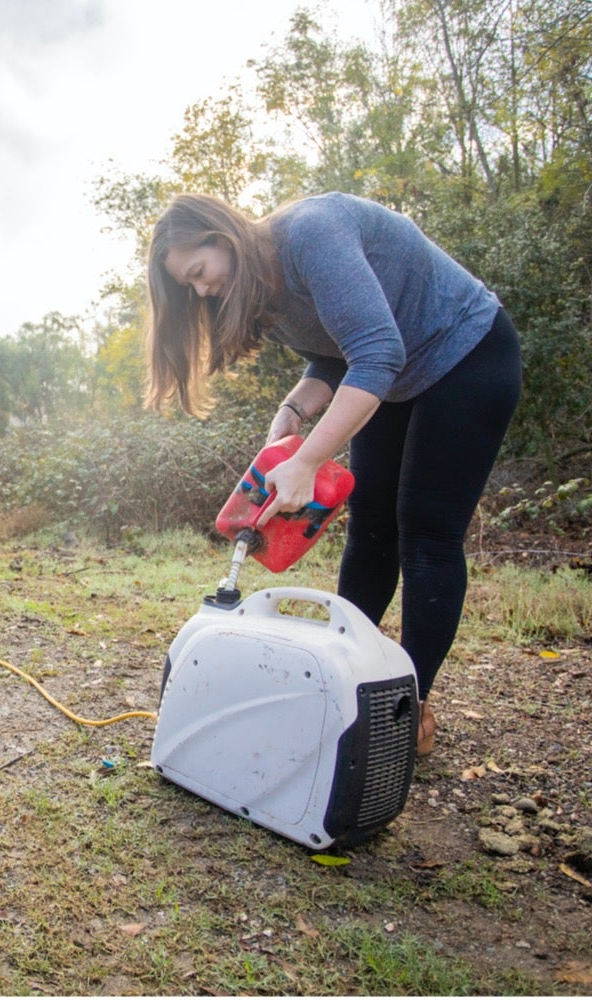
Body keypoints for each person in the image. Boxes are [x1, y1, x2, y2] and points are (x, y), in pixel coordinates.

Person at [146, 191, 521, 756]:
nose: (202, 291)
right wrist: (293, 414)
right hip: (393, 372)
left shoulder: (312, 234)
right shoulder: (255, 287)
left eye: (199, 273)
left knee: (424, 530)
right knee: (371, 528)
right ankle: (350, 684)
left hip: (466, 352)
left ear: (222, 237)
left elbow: (375, 351)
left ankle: (407, 710)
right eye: (189, 286)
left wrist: (309, 460)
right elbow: (335, 351)